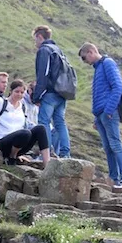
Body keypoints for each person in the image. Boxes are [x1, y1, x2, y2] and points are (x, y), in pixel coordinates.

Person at [78, 42, 122, 191]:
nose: (85, 62)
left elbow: (117, 87)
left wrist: (108, 110)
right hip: (101, 114)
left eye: (84, 58)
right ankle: (114, 178)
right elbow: (101, 94)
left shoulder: (108, 63)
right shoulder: (98, 68)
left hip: (108, 113)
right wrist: (97, 117)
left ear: (90, 52)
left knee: (115, 144)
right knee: (108, 147)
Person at [0, 79, 51, 166]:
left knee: (40, 128)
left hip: (19, 144)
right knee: (25, 133)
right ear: (11, 91)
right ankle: (12, 157)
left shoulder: (22, 107)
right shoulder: (1, 102)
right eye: (17, 91)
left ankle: (47, 164)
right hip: (2, 143)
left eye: (22, 92)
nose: (19, 94)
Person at [32, 26, 72, 158]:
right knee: (60, 122)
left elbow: (43, 74)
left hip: (50, 93)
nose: (35, 43)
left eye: (35, 39)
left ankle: (46, 154)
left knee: (43, 122)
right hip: (62, 93)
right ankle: (65, 154)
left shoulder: (44, 50)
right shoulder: (59, 51)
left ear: (39, 36)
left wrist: (36, 96)